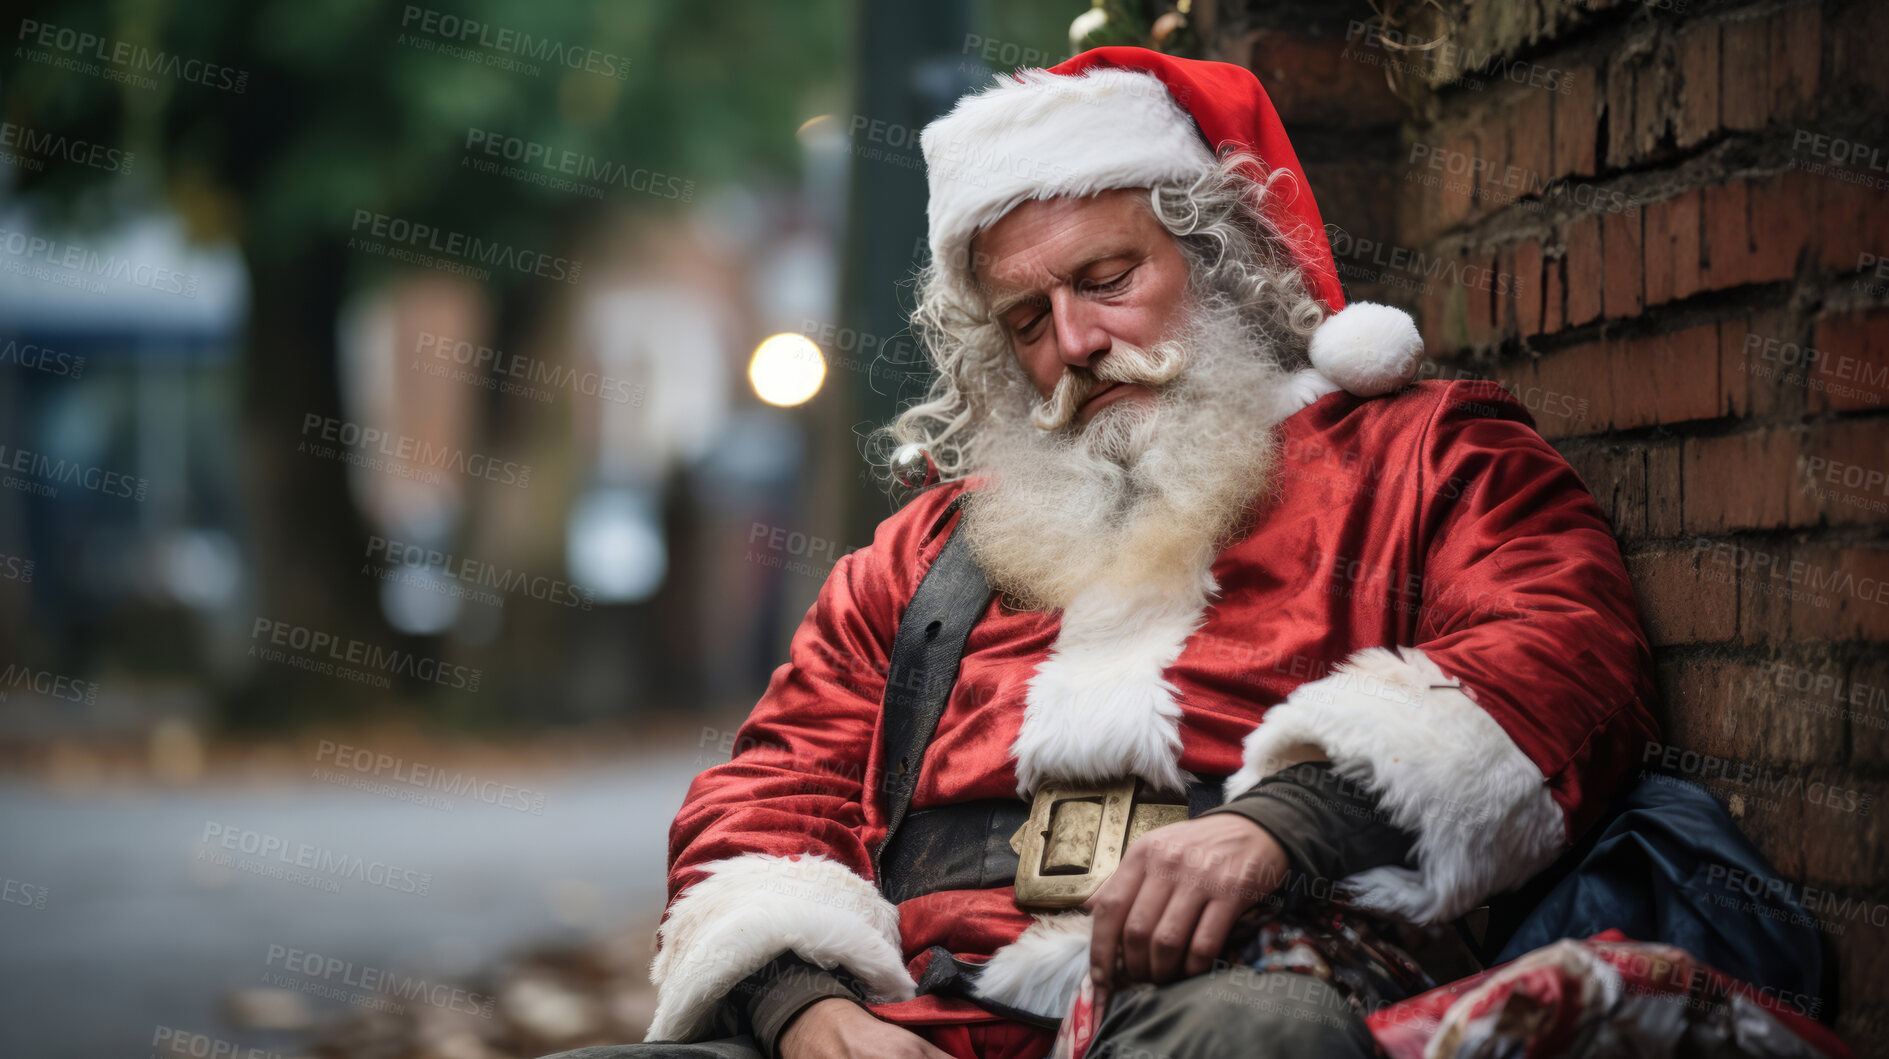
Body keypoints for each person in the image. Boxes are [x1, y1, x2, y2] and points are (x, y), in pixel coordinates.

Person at [554, 47, 1668, 1059]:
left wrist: (1281, 824)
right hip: (927, 1019)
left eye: (1105, 280)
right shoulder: (920, 554)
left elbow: (1566, 648)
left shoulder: (1422, 456)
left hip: (1251, 991)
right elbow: (772, 788)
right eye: (1026, 321)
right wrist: (805, 1006)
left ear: (1214, 255)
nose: (1076, 343)